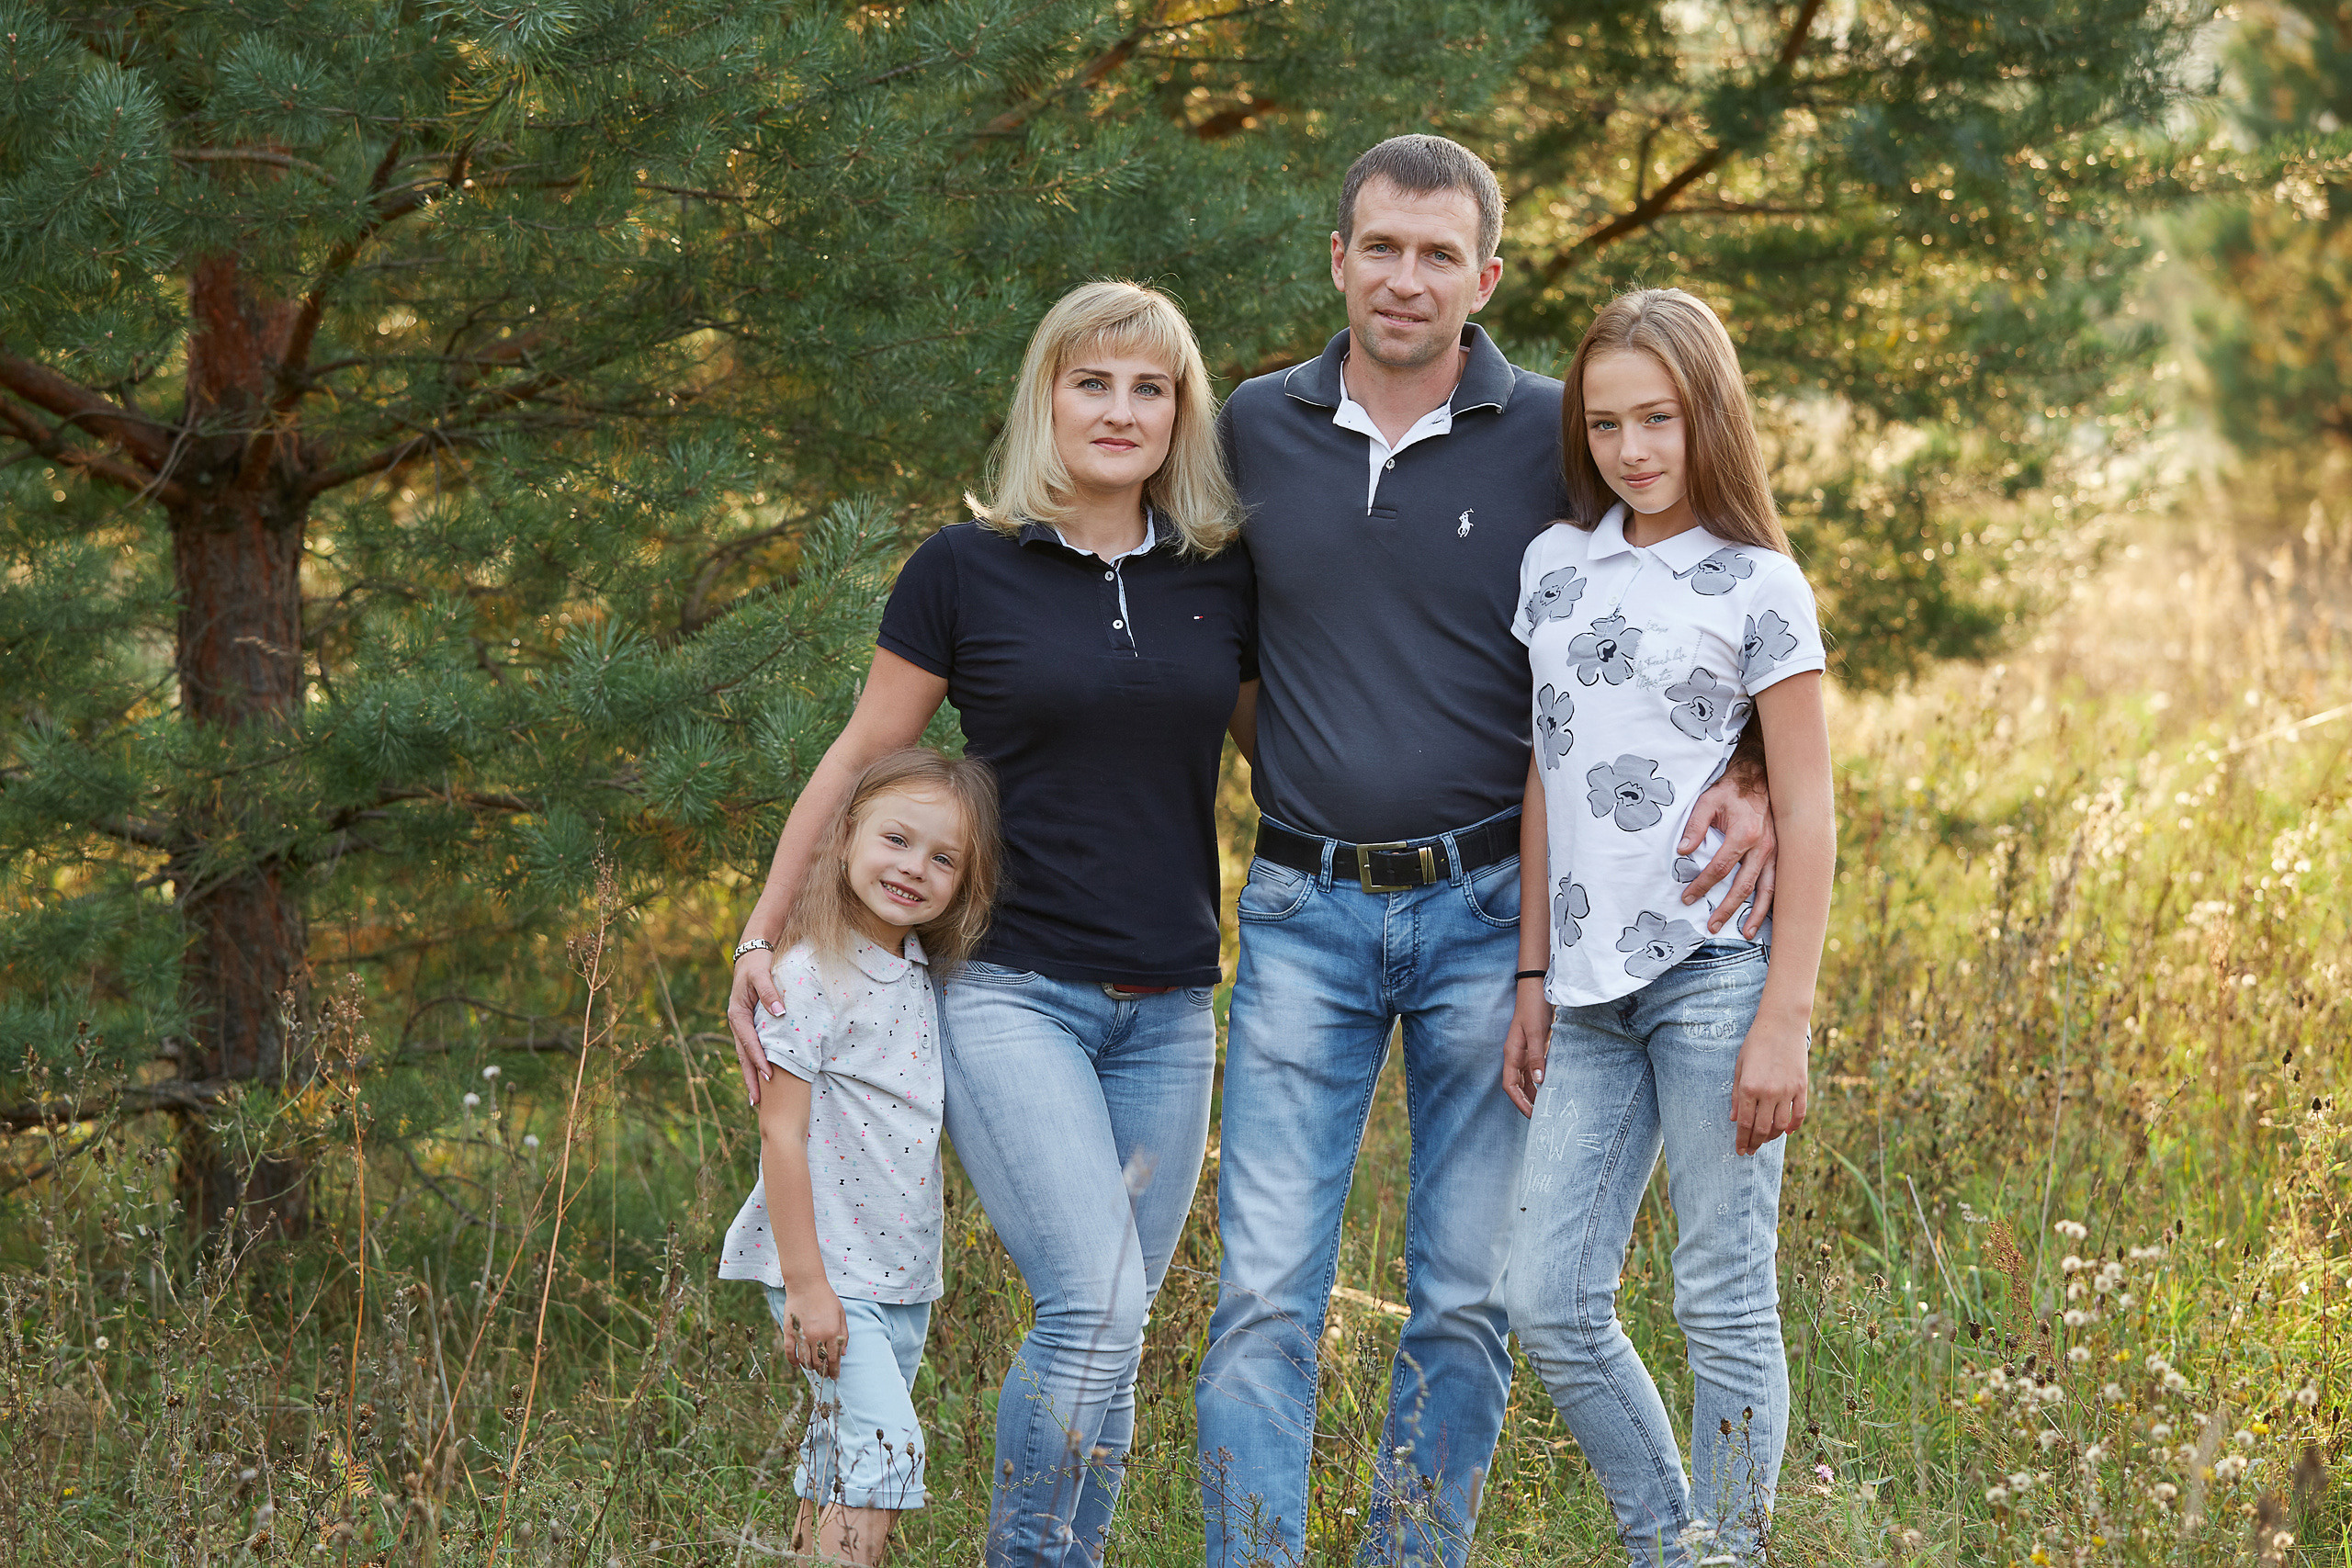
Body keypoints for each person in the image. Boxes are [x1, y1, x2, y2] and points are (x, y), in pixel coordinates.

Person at [1195, 136, 1777, 1568]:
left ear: (1487, 275)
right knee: (1266, 1286)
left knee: (1464, 1294)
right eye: (1379, 247)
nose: (1406, 277)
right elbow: (1202, 640)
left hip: (1491, 914)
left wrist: (1755, 765)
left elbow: (1713, 580)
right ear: (1337, 258)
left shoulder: (1557, 431)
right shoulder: (1252, 426)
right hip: (1301, 905)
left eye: (1438, 253)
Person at [725, 279, 1256, 1567]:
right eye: (1092, 381)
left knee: (1117, 1330)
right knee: (1094, 1303)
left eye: (1150, 386)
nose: (1120, 409)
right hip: (1015, 988)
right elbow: (864, 753)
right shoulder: (966, 567)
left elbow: (1296, 762)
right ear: (1047, 397)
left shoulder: (1217, 575)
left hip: (1176, 1005)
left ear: (1181, 410)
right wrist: (760, 929)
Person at [1500, 288, 1833, 1567]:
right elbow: (1546, 771)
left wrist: (1784, 1016)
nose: (1635, 449)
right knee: (1548, 1295)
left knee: (1720, 1291)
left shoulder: (1760, 583)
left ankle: (1728, 1552)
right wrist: (1533, 969)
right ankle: (1671, 1539)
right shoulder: (1555, 567)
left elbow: (1805, 804)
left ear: (1712, 419)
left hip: (1713, 975)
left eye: (1661, 419)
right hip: (1583, 993)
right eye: (1607, 424)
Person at [718, 746, 1001, 1565]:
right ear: (843, 839)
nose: (914, 867)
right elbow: (781, 1133)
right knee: (883, 1456)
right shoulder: (807, 978)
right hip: (832, 1273)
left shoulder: (918, 973)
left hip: (902, 1274)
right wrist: (806, 1284)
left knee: (842, 1457)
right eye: (896, 839)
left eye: (942, 857)